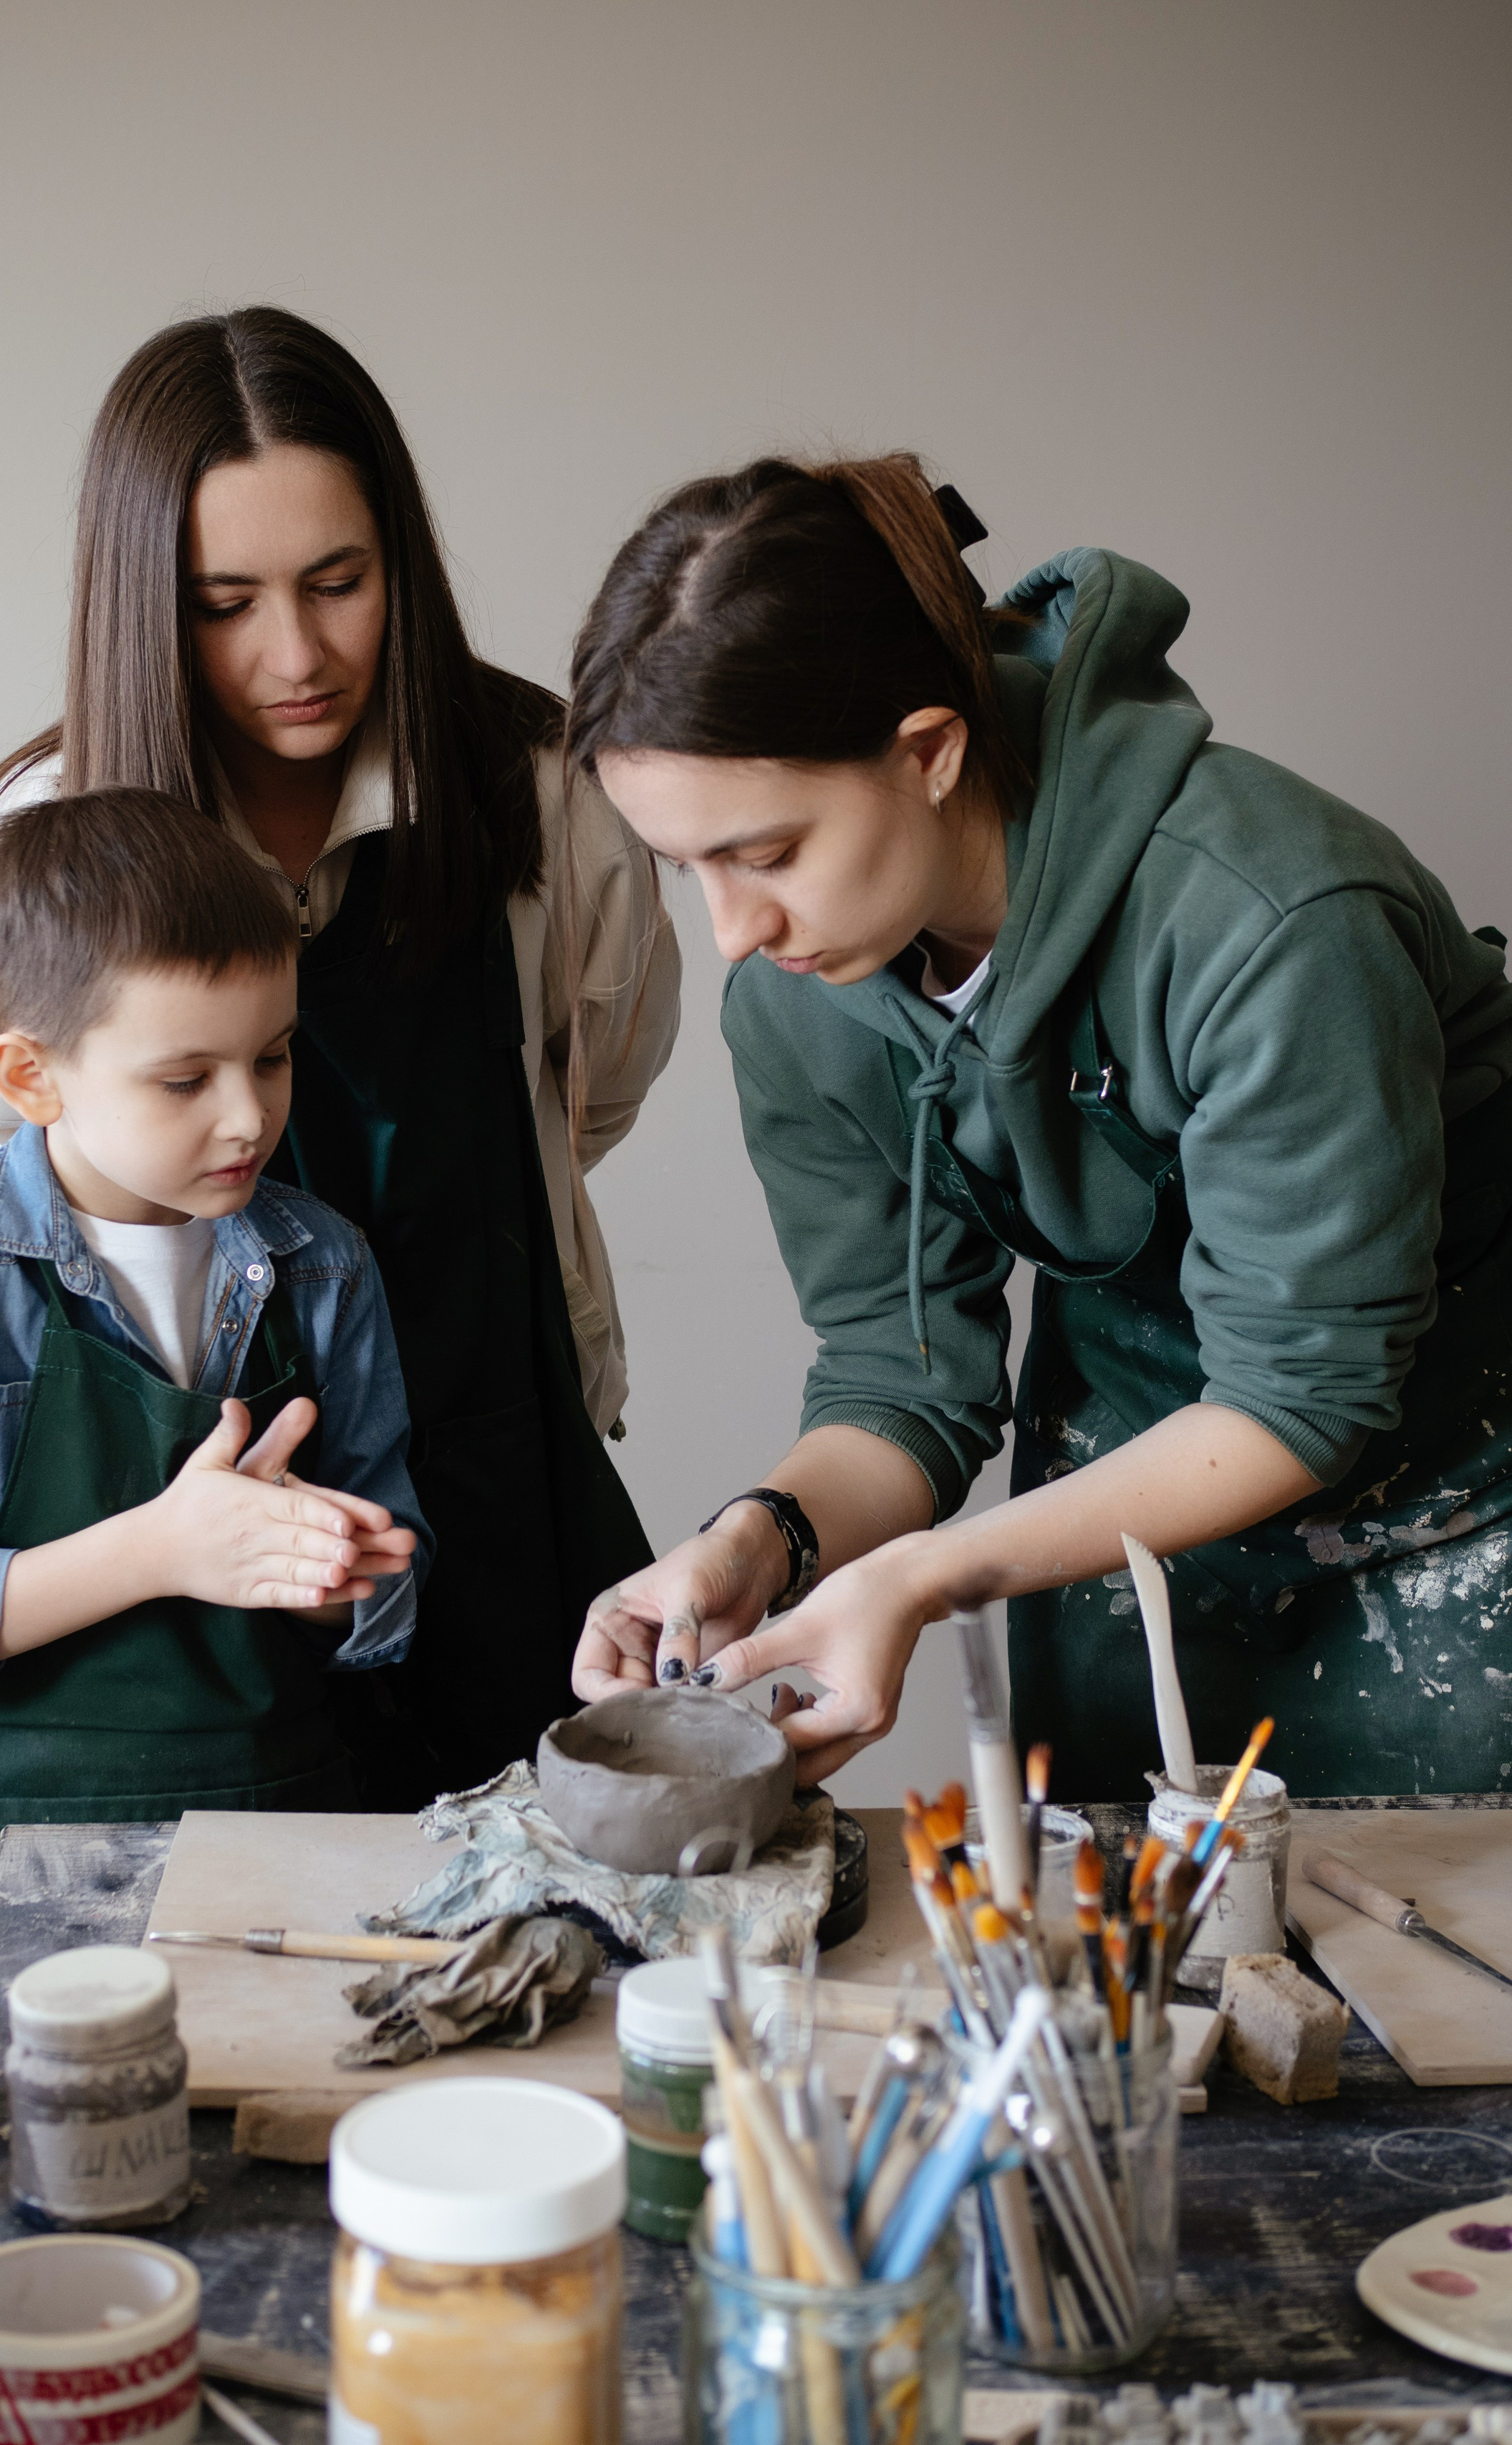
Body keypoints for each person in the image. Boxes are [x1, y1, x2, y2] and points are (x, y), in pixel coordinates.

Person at [563, 453, 1512, 1801]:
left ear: (931, 751)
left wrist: (923, 1576)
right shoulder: (800, 1000)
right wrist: (761, 1539)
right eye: (687, 865)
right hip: (1120, 1483)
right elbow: (904, 1376)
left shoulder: (1271, 919)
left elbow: (1303, 1388)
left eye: (766, 853)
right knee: (1125, 1970)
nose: (733, 929)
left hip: (1460, 1490)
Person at [0, 308, 679, 1800]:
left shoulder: (535, 786)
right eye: (225, 602)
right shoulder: (37, 837)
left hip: (494, 1470)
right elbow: (14, 1188)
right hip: (187, 1527)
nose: (297, 654)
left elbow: (600, 1081)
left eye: (340, 582)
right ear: (144, 600)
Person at [0, 789, 428, 1830]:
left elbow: (392, 1593)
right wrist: (162, 1547)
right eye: (185, 1079)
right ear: (32, 1077)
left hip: (293, 1818)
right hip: (25, 1847)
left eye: (272, 1056)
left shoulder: (324, 1266)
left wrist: (330, 1566)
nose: (250, 1114)